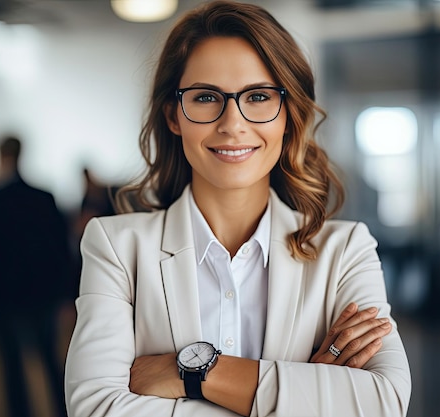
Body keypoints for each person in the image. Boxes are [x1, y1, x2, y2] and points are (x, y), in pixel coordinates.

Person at [64, 1, 412, 416]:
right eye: (207, 97)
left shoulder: (346, 251)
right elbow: (97, 408)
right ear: (173, 115)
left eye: (259, 96)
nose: (232, 123)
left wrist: (193, 374)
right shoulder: (117, 246)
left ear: (290, 115)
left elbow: (383, 402)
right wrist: (299, 394)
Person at [0, 136, 69, 417]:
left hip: (7, 293)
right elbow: (60, 247)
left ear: (1, 155)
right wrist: (64, 292)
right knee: (50, 359)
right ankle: (63, 411)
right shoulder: (44, 196)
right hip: (42, 292)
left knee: (12, 366)